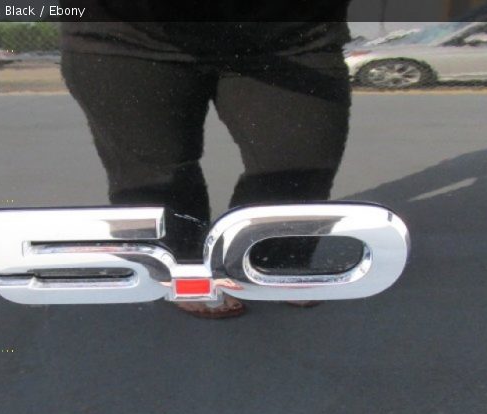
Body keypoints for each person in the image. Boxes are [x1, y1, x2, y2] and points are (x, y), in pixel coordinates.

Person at [61, 3, 352, 317]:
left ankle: (273, 262)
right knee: (153, 173)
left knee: (299, 167)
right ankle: (181, 268)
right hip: (126, 36)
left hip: (291, 34)